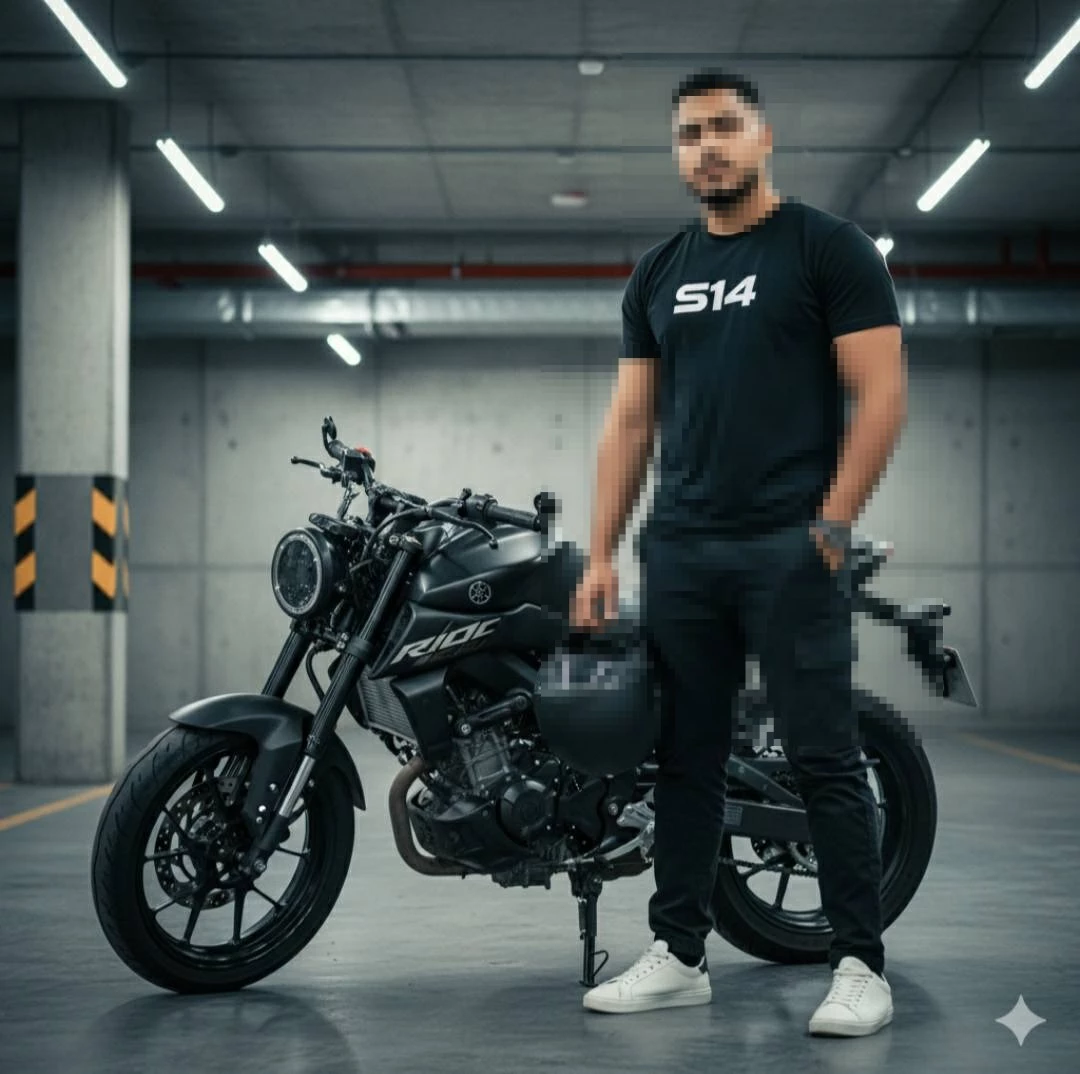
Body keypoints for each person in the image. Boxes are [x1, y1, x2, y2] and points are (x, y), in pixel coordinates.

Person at [569, 68, 907, 1038]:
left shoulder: (827, 249)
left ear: (764, 138)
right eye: (689, 133)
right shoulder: (659, 273)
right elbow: (631, 421)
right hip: (681, 548)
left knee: (822, 755)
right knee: (686, 758)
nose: (707, 146)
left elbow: (882, 394)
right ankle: (679, 953)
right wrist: (601, 554)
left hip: (788, 545)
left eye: (724, 127)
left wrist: (831, 526)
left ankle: (859, 965)